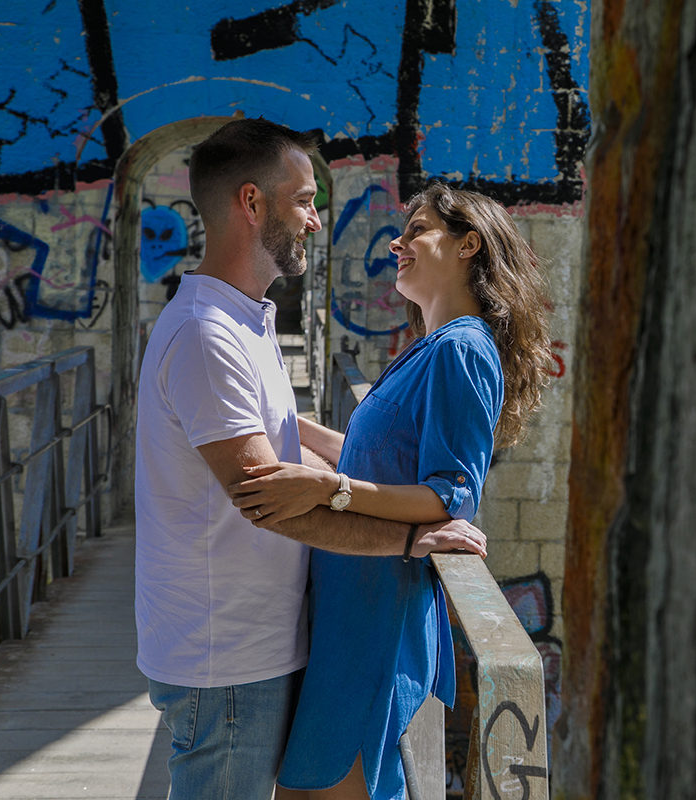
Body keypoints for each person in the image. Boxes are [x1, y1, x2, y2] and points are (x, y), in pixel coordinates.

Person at [134, 120, 486, 800]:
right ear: (252, 203)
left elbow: (284, 445)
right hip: (226, 656)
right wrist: (409, 538)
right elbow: (271, 502)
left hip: (257, 642)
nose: (317, 221)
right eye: (303, 200)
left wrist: (353, 484)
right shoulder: (209, 333)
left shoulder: (247, 320)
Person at [226, 183, 553, 799]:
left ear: (468, 245)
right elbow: (370, 451)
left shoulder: (462, 348)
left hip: (375, 619)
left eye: (420, 229)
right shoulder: (429, 347)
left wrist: (332, 489)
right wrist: (272, 420)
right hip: (351, 606)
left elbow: (448, 496)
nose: (398, 242)